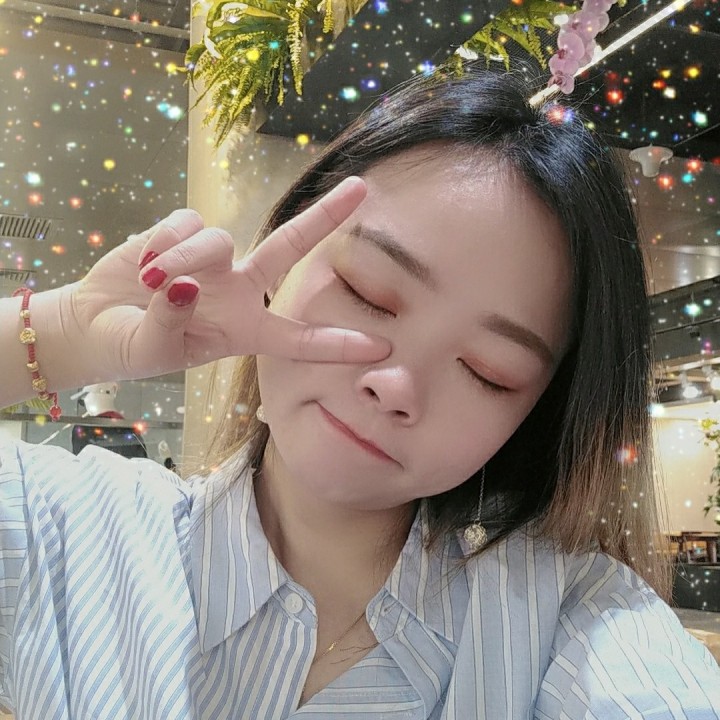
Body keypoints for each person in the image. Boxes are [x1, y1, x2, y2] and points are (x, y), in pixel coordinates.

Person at [0, 64, 718, 720]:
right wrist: (63, 332)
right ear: (287, 248)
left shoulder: (574, 629)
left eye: (488, 370)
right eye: (367, 291)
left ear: (537, 414)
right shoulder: (67, 532)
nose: (395, 385)